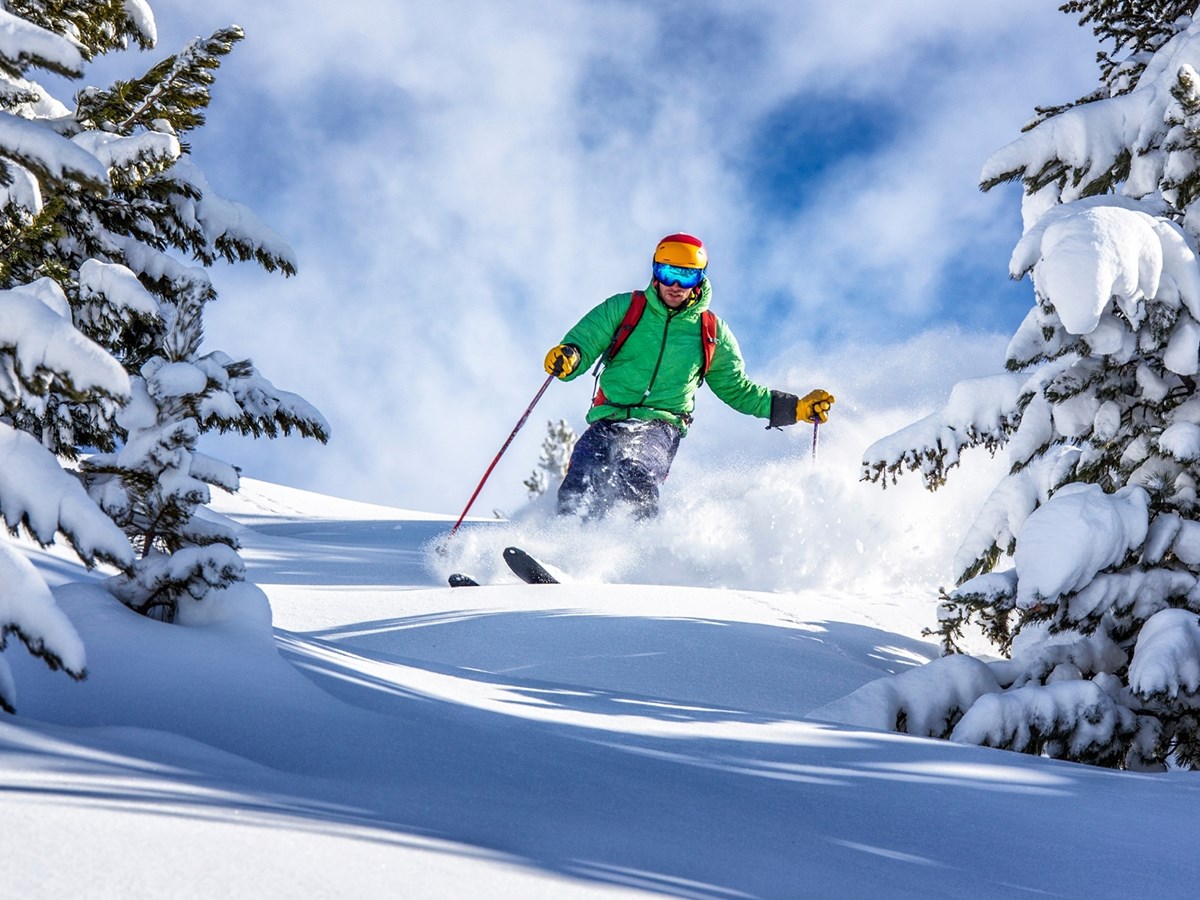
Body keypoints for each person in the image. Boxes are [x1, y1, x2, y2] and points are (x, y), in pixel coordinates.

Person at [543, 232, 834, 519]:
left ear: (700, 279)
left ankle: (634, 547)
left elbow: (738, 389)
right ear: (656, 272)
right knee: (581, 474)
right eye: (668, 273)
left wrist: (794, 408)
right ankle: (565, 542)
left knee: (634, 471)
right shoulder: (626, 308)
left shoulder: (710, 332)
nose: (676, 286)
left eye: (687, 277)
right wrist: (570, 356)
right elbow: (585, 341)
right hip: (609, 417)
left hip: (660, 425)